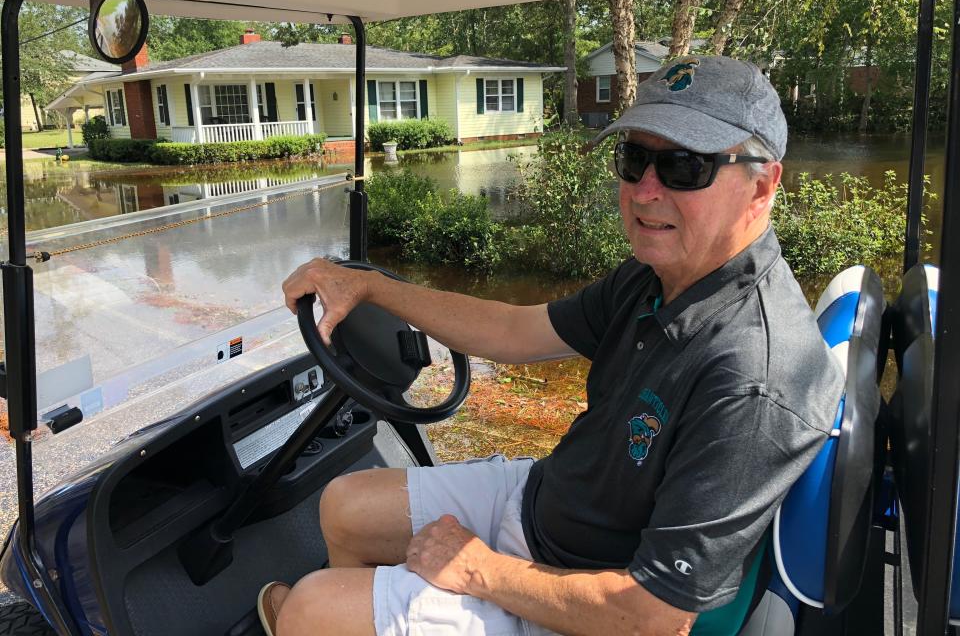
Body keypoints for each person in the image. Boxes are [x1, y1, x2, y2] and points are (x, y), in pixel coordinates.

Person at [258, 56, 844, 636]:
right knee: (343, 506)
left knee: (311, 609)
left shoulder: (753, 377)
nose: (644, 192)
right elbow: (513, 330)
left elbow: (651, 619)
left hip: (586, 596)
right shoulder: (659, 276)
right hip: (547, 503)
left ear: (762, 185)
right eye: (634, 158)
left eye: (684, 168)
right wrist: (373, 288)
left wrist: (482, 571)